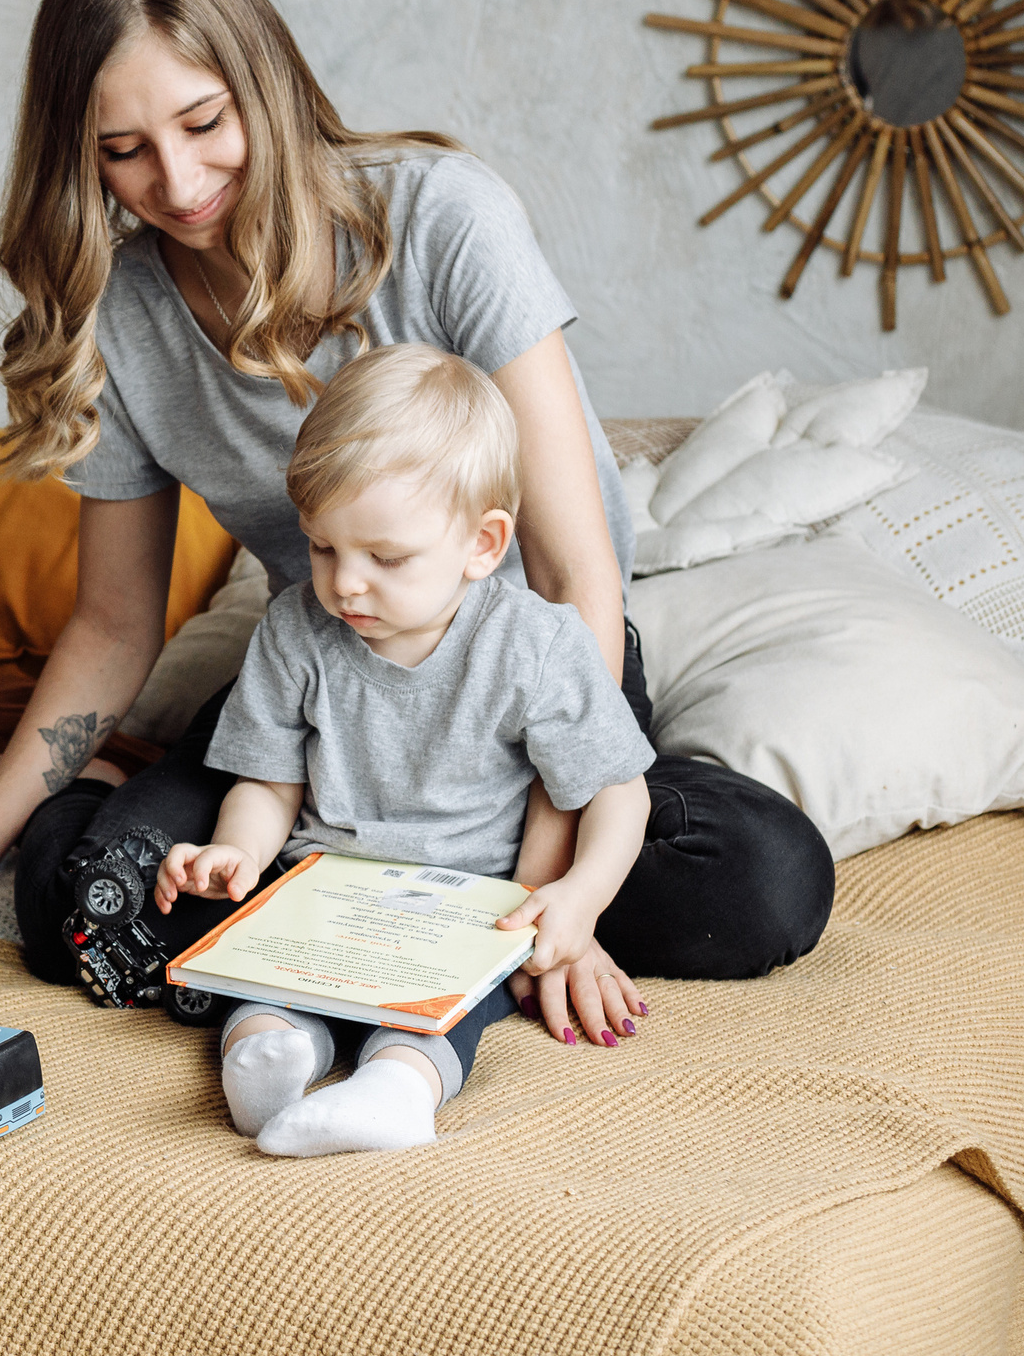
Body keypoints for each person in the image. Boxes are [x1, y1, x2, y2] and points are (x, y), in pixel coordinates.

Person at [0, 0, 832, 1052]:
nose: (176, 183)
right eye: (120, 150)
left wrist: (529, 898)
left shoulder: (442, 219)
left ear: (264, 85)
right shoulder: (121, 313)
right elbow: (112, 622)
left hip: (528, 670)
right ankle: (197, 830)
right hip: (325, 681)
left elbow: (572, 571)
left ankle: (346, 899)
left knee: (765, 884)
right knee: (72, 905)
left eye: (202, 122)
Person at [153, 345, 653, 1155]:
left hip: (464, 908)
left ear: (483, 544)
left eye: (385, 558)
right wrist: (236, 851)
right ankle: (268, 1062)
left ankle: (395, 1093)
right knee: (267, 992)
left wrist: (579, 895)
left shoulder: (533, 643)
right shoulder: (294, 629)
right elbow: (269, 784)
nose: (345, 583)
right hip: (322, 894)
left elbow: (617, 794)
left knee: (430, 1021)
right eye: (322, 547)